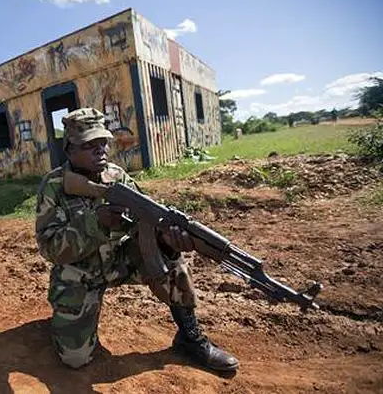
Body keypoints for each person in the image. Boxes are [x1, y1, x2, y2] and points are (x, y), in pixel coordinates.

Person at [34, 108, 238, 372]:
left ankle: (190, 337)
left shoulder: (118, 177)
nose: (100, 150)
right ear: (70, 149)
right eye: (89, 145)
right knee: (76, 358)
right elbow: (48, 247)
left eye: (103, 142)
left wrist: (167, 241)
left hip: (119, 262)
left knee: (169, 258)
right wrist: (95, 223)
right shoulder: (54, 185)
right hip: (78, 273)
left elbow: (146, 224)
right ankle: (66, 320)